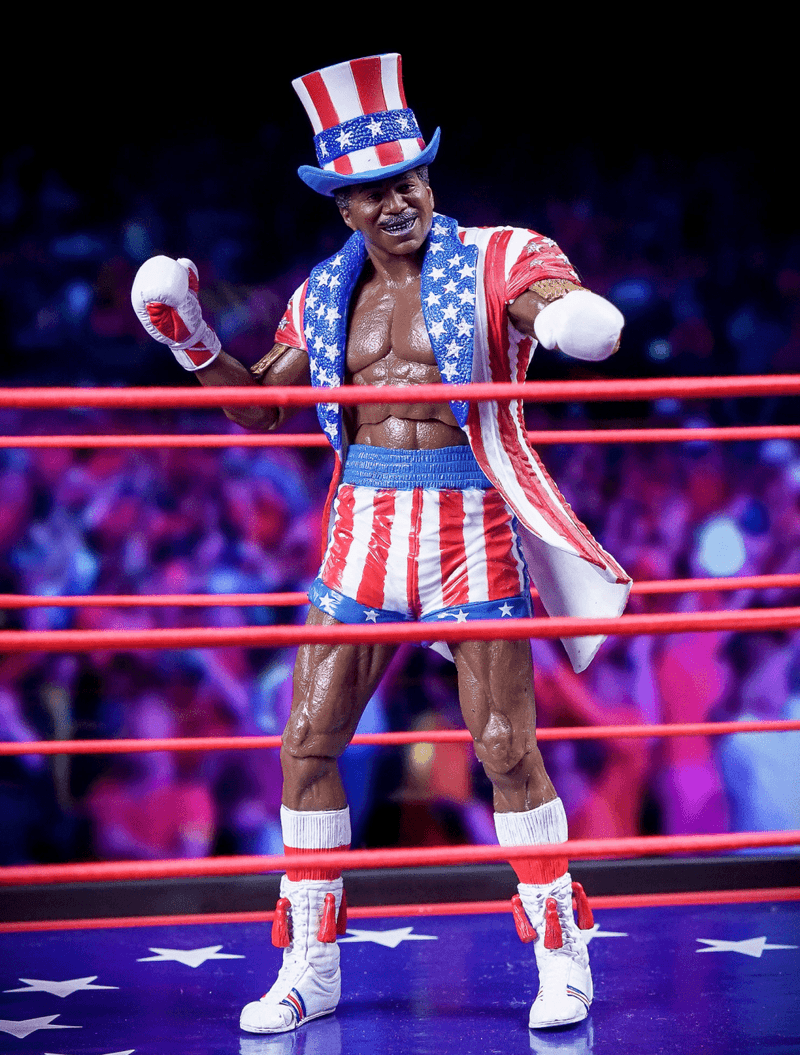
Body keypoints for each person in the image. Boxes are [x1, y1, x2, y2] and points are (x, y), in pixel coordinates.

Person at [131, 53, 630, 1034]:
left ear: (427, 176)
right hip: (359, 522)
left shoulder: (495, 255)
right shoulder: (323, 293)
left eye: (409, 179)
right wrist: (191, 340)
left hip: (468, 520)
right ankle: (310, 965)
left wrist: (571, 318)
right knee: (306, 741)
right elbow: (261, 406)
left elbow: (545, 300)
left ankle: (560, 953)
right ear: (343, 205)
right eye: (373, 191)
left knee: (504, 746)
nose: (396, 201)